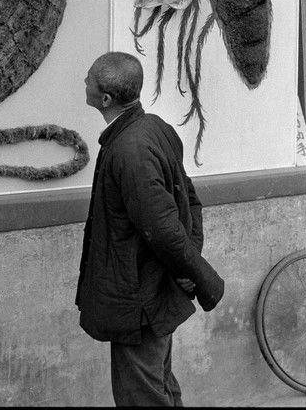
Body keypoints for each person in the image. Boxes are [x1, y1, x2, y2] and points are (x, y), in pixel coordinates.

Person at [76, 51, 224, 407]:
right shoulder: (153, 129)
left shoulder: (131, 150)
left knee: (142, 396)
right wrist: (186, 266)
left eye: (89, 78)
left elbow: (164, 227)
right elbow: (190, 202)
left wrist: (193, 273)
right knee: (161, 387)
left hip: (139, 302)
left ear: (106, 99)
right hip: (150, 295)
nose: (84, 81)